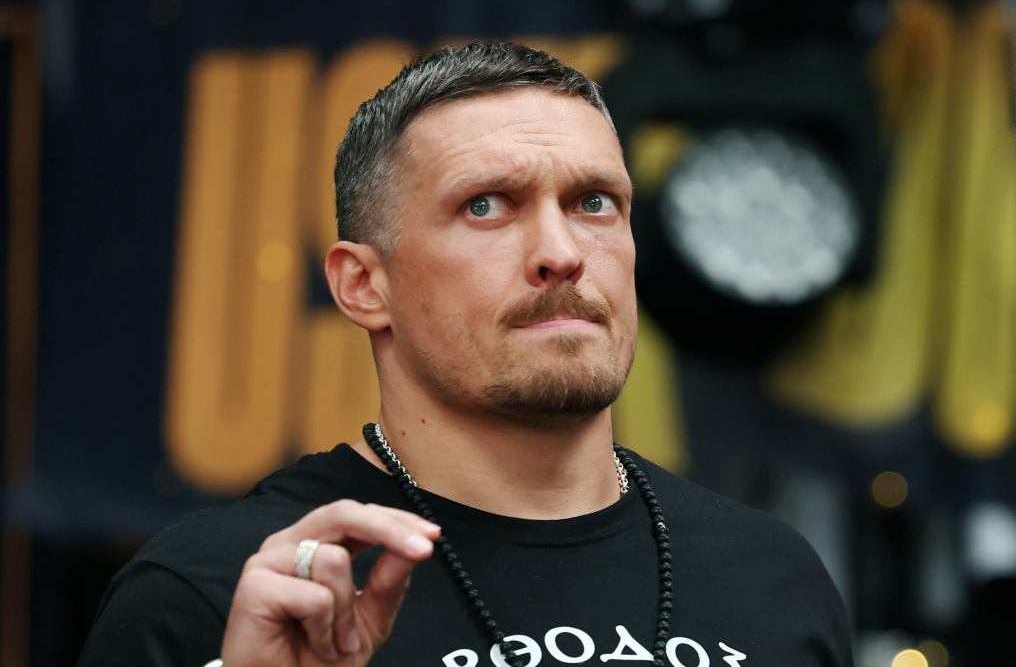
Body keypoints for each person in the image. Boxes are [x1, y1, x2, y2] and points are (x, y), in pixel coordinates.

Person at [78, 42, 853, 667]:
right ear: (363, 286)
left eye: (594, 203)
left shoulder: (771, 576)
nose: (560, 252)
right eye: (486, 206)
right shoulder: (229, 592)